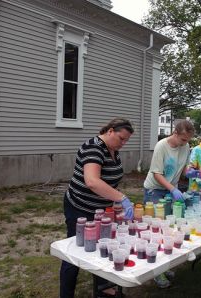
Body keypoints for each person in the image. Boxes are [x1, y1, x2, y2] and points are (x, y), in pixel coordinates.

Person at [60, 118, 135, 298]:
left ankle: (103, 288)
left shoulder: (113, 150)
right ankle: (65, 294)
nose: (123, 143)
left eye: (126, 140)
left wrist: (114, 200)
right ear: (110, 131)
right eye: (121, 138)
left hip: (101, 211)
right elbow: (92, 181)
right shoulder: (93, 147)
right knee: (75, 252)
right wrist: (121, 197)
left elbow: (108, 179)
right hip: (80, 208)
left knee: (103, 246)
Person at [143, 119, 195, 288]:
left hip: (171, 189)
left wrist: (192, 172)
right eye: (183, 139)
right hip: (155, 190)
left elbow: (184, 168)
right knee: (156, 231)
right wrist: (172, 189)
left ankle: (164, 266)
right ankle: (156, 273)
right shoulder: (161, 146)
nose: (185, 143)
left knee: (170, 229)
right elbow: (157, 173)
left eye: (188, 140)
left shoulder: (185, 146)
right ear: (175, 133)